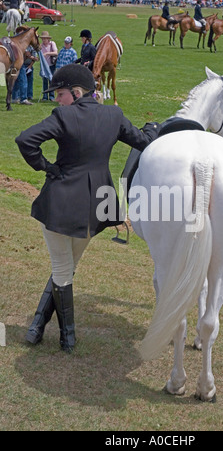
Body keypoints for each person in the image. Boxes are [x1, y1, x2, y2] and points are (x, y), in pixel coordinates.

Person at [15, 64, 161, 353]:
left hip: (60, 203)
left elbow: (25, 140)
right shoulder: (113, 115)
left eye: (59, 94)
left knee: (62, 269)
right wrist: (152, 129)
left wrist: (48, 168)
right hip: (97, 204)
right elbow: (143, 142)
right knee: (66, 268)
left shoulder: (64, 116)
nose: (57, 100)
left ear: (77, 92)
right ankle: (36, 328)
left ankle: (65, 337)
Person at [40, 31, 58, 101]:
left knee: (51, 80)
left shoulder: (52, 44)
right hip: (44, 66)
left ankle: (51, 96)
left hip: (51, 65)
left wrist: (47, 53)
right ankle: (45, 96)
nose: (44, 40)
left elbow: (56, 52)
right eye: (43, 39)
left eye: (45, 39)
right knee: (45, 81)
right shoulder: (41, 46)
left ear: (48, 39)